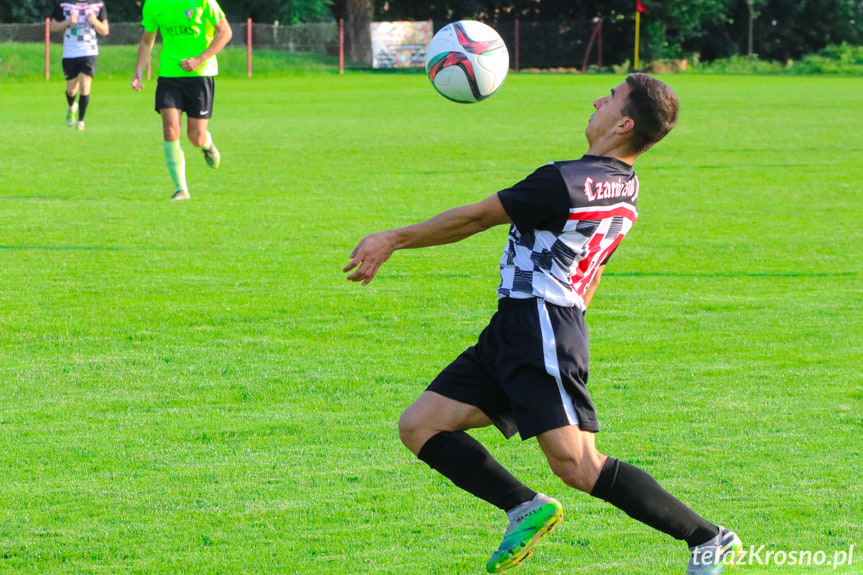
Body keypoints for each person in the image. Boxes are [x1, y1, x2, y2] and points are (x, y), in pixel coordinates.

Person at [344, 74, 742, 575]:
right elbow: (592, 270)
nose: (598, 100)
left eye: (611, 97)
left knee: (576, 464)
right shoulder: (626, 184)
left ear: (623, 123)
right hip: (522, 325)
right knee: (421, 425)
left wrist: (393, 239)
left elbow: (475, 219)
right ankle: (524, 507)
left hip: (541, 326)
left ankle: (707, 538)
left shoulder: (567, 180)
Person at [131, 0, 232, 201]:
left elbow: (225, 32)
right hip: (169, 75)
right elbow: (147, 40)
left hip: (200, 76)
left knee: (196, 136)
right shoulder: (153, 4)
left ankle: (207, 144)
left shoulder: (203, 2)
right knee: (170, 129)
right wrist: (139, 70)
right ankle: (181, 189)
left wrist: (199, 59)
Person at [50, 0, 109, 131]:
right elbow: (51, 26)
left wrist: (94, 21)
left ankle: (81, 121)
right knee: (71, 90)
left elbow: (105, 30)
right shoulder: (65, 4)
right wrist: (68, 22)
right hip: (70, 52)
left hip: (89, 51)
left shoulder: (98, 4)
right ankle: (71, 106)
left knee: (84, 85)